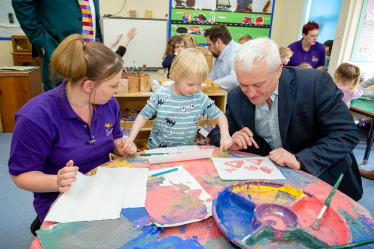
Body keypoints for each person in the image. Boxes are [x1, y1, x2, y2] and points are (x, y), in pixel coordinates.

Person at [8, 34, 137, 236]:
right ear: (88, 86)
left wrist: (120, 147)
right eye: (114, 85)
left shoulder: (109, 103)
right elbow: (20, 175)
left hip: (103, 188)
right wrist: (56, 181)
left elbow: (114, 139)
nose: (118, 90)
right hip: (61, 198)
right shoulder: (35, 117)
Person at [211, 37, 363, 201]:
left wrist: (299, 159)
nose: (250, 93)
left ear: (278, 70)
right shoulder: (236, 96)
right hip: (278, 184)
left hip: (325, 180)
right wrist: (229, 139)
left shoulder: (314, 83)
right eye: (243, 85)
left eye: (258, 85)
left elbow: (345, 133)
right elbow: (218, 132)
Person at [124, 49, 233, 153]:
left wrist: (225, 135)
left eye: (199, 84)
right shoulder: (160, 95)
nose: (196, 89)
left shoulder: (199, 97)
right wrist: (130, 138)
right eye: (191, 84)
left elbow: (220, 116)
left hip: (184, 152)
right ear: (175, 77)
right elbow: (143, 116)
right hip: (156, 151)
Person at [12, 0, 103, 92]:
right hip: (58, 47)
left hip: (92, 52)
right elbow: (20, 2)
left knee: (91, 98)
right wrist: (40, 39)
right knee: (60, 100)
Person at [204, 24, 242, 93]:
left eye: (209, 45)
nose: (208, 48)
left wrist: (214, 82)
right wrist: (212, 82)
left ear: (218, 42)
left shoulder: (236, 53)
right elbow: (211, 78)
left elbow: (235, 79)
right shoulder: (218, 53)